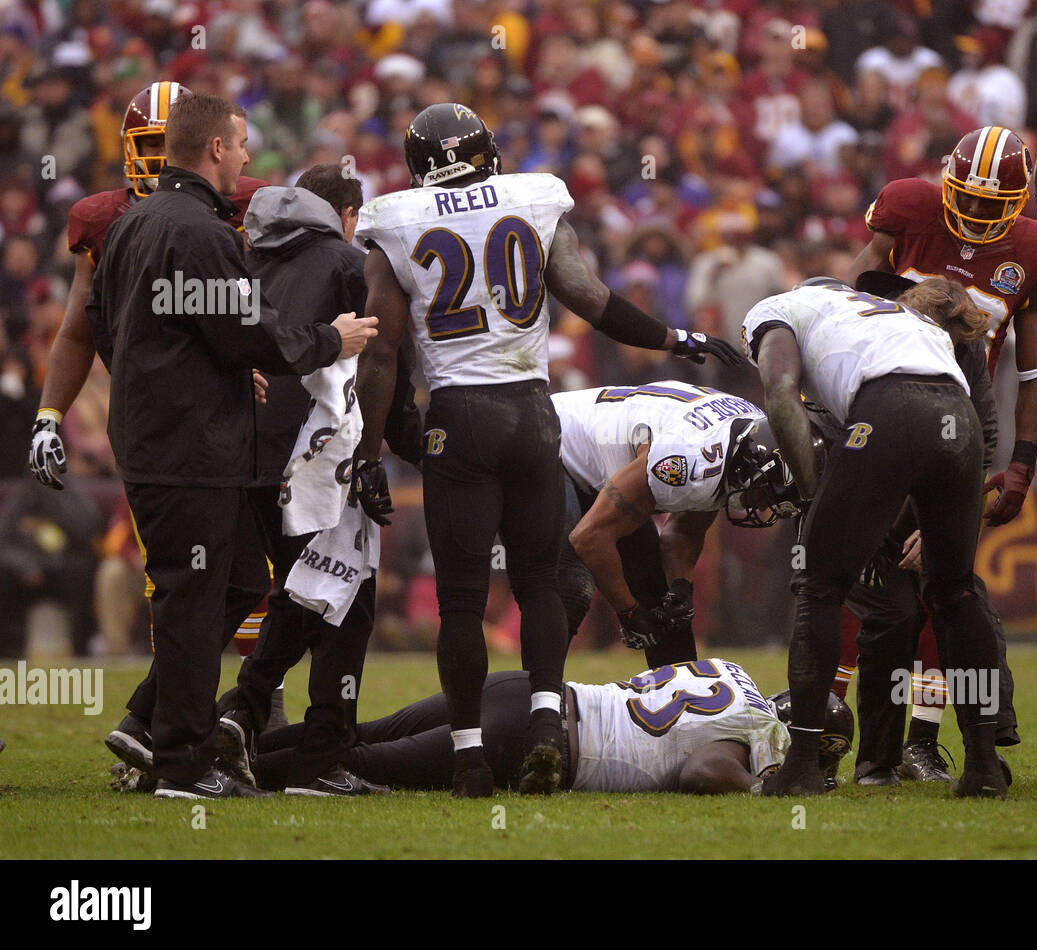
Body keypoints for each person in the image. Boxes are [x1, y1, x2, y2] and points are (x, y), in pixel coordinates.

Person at [352, 103, 742, 799]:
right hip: (533, 415)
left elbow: (381, 351)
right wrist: (674, 341)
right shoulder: (531, 198)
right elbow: (592, 300)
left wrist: (367, 449)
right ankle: (542, 726)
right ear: (484, 153)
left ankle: (471, 760)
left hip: (458, 418)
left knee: (463, 602)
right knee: (541, 585)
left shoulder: (395, 220)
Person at [85, 91, 379, 800]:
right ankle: (181, 765)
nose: (247, 158)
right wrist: (329, 341)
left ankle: (154, 721)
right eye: (240, 145)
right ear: (215, 147)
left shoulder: (134, 225)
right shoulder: (203, 232)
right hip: (190, 449)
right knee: (191, 601)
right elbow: (258, 333)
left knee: (243, 580)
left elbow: (106, 325)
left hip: (161, 437)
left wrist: (195, 369)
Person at [24, 81, 282, 772]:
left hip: (234, 418)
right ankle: (181, 743)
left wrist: (249, 353)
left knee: (241, 577)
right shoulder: (108, 220)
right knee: (187, 584)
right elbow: (79, 331)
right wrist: (49, 415)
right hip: (171, 432)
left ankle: (208, 712)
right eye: (148, 146)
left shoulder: (241, 202)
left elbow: (248, 309)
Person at [743, 276, 1008, 798]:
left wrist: (811, 492)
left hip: (889, 409)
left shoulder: (778, 307)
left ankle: (800, 766)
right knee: (954, 592)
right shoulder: (893, 314)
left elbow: (779, 394)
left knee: (819, 587)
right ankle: (982, 765)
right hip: (958, 414)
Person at [843, 126, 1037, 784]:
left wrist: (1017, 464)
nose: (984, 216)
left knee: (943, 591)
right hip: (877, 420)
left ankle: (921, 743)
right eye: (973, 200)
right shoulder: (907, 207)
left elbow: (1033, 376)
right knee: (865, 586)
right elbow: (850, 302)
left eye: (999, 205)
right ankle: (835, 728)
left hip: (957, 435)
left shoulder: (1032, 251)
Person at [213, 164, 425, 796]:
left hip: (250, 456)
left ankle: (244, 719)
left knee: (300, 594)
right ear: (349, 215)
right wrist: (423, 452)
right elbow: (385, 364)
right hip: (319, 459)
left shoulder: (251, 261)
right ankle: (306, 747)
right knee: (346, 602)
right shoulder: (349, 263)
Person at [243, 660, 854, 795]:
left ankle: (227, 747)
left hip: (527, 691)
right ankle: (233, 772)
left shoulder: (734, 673)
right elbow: (700, 769)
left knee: (362, 732)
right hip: (541, 740)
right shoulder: (755, 733)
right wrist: (754, 786)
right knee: (363, 765)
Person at [553, 382, 800, 667]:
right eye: (764, 494)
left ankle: (680, 701)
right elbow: (589, 539)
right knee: (570, 587)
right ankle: (537, 701)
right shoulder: (690, 457)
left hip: (603, 464)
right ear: (752, 464)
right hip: (553, 442)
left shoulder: (731, 448)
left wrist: (681, 586)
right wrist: (628, 613)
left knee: (664, 606)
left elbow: (684, 530)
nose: (762, 506)